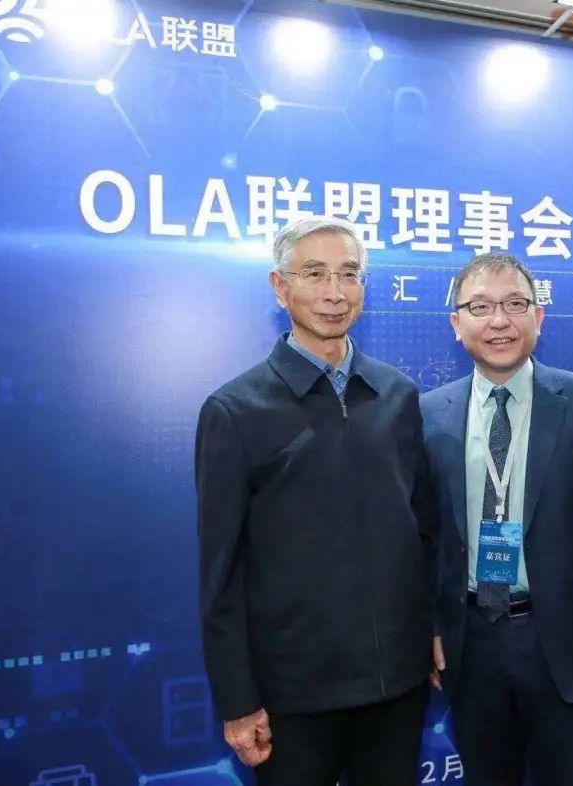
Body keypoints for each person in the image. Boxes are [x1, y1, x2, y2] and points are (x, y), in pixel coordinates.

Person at [194, 216, 436, 784]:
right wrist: (237, 700)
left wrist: (432, 636)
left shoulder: (398, 396)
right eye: (315, 274)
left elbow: (425, 535)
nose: (334, 292)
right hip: (293, 698)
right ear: (280, 288)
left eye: (349, 274)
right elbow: (221, 575)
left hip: (397, 686)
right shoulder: (235, 411)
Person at [420, 252, 573, 786]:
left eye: (515, 304)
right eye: (481, 307)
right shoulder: (428, 413)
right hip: (470, 639)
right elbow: (423, 536)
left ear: (538, 317)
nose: (499, 321)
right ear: (457, 324)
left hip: (558, 637)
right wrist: (429, 628)